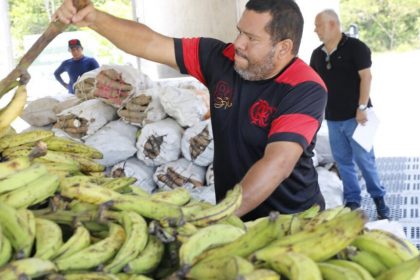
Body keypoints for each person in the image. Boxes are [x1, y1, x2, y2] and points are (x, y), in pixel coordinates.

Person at [54, 0, 327, 221]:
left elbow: (277, 164)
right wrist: (96, 19)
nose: (238, 43)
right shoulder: (221, 59)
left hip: (293, 221)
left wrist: (217, 218)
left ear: (283, 48)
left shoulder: (304, 88)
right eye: (240, 31)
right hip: (233, 216)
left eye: (251, 38)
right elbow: (151, 43)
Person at [310, 9, 390, 219]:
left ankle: (379, 199)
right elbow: (314, 85)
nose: (315, 30)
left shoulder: (357, 48)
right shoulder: (317, 55)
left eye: (319, 25)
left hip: (358, 118)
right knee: (343, 162)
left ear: (333, 25)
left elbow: (366, 77)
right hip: (333, 120)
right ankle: (353, 200)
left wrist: (362, 107)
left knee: (365, 161)